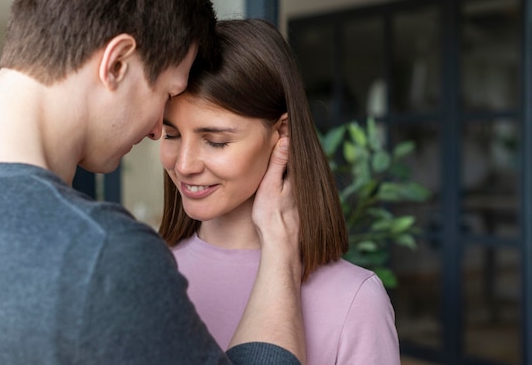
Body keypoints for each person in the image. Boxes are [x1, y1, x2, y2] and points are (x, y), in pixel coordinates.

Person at [0, 0, 307, 364]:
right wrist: (279, 247)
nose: (156, 129)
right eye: (167, 93)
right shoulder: (100, 254)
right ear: (116, 63)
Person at [159, 19, 401, 364]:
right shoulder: (145, 270)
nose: (184, 165)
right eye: (171, 135)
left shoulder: (354, 299)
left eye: (215, 142)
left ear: (282, 132)